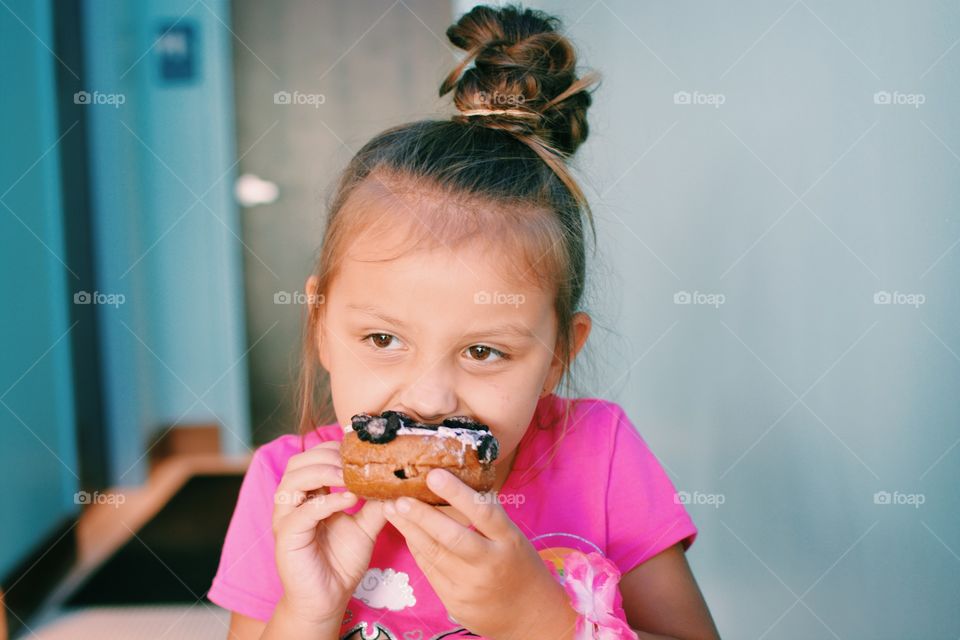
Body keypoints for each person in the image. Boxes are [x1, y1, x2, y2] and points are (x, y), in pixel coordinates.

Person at [208, 4, 720, 639]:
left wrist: (543, 623)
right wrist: (307, 611)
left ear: (559, 352)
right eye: (383, 339)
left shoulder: (600, 456)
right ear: (320, 326)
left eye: (484, 352)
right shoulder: (289, 489)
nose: (427, 399)